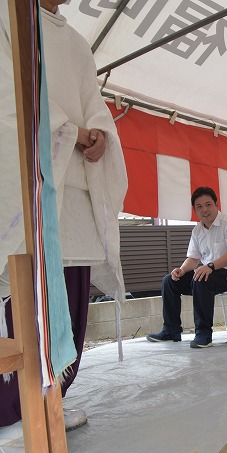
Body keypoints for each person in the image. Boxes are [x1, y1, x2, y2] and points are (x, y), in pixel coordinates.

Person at [0, 0, 127, 430]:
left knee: (70, 296)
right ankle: (15, 410)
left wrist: (99, 135)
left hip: (73, 190)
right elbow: (7, 91)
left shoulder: (75, 42)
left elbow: (93, 102)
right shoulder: (7, 16)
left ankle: (52, 398)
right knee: (24, 292)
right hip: (26, 185)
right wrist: (68, 131)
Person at [147, 187, 227, 349]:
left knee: (201, 278)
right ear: (195, 210)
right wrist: (182, 270)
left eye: (208, 204)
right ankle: (171, 330)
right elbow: (193, 258)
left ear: (216, 204)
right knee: (169, 281)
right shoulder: (197, 230)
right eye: (199, 206)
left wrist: (211, 266)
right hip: (208, 274)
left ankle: (204, 334)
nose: (204, 209)